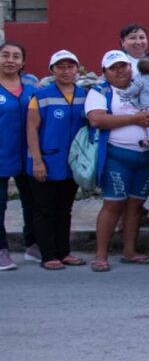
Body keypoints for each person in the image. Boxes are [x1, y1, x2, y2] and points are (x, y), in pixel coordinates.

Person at [85, 50, 149, 272]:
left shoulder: (144, 85)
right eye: (114, 68)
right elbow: (96, 119)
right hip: (118, 156)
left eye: (124, 66)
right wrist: (135, 119)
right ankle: (101, 255)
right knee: (113, 204)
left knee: (136, 205)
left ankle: (130, 252)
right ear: (105, 72)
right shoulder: (101, 91)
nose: (120, 71)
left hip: (147, 157)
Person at [24, 50, 86, 270]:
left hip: (71, 164)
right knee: (44, 210)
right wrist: (37, 161)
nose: (66, 71)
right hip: (45, 162)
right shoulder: (41, 96)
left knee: (64, 209)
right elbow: (31, 129)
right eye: (60, 67)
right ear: (52, 70)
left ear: (77, 69)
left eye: (70, 66)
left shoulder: (85, 95)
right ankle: (48, 255)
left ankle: (64, 252)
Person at [0, 42, 39, 269]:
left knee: (33, 202)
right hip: (2, 154)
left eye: (16, 56)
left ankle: (33, 245)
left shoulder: (32, 85)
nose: (10, 60)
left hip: (28, 154)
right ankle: (1, 250)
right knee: (0, 205)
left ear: (23, 62)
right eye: (5, 55)